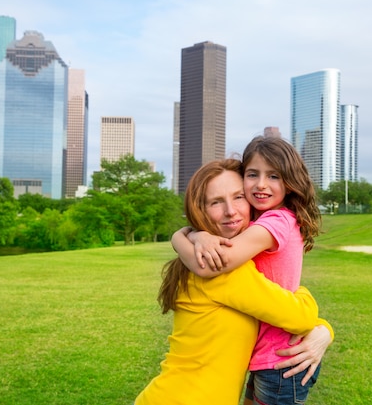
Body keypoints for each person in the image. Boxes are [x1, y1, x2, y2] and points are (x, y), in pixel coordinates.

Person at [134, 159, 333, 405]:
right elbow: (300, 317)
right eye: (216, 202)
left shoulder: (213, 260)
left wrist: (187, 234)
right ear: (200, 210)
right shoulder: (221, 269)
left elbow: (273, 309)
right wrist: (318, 318)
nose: (231, 211)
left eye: (238, 197)